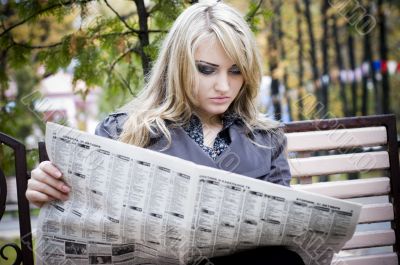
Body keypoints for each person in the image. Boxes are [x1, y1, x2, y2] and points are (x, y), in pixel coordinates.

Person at [26, 1, 304, 264]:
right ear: (177, 66)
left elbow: (282, 234)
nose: (224, 86)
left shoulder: (267, 139)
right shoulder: (123, 132)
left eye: (235, 71)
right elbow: (83, 217)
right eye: (206, 70)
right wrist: (47, 188)